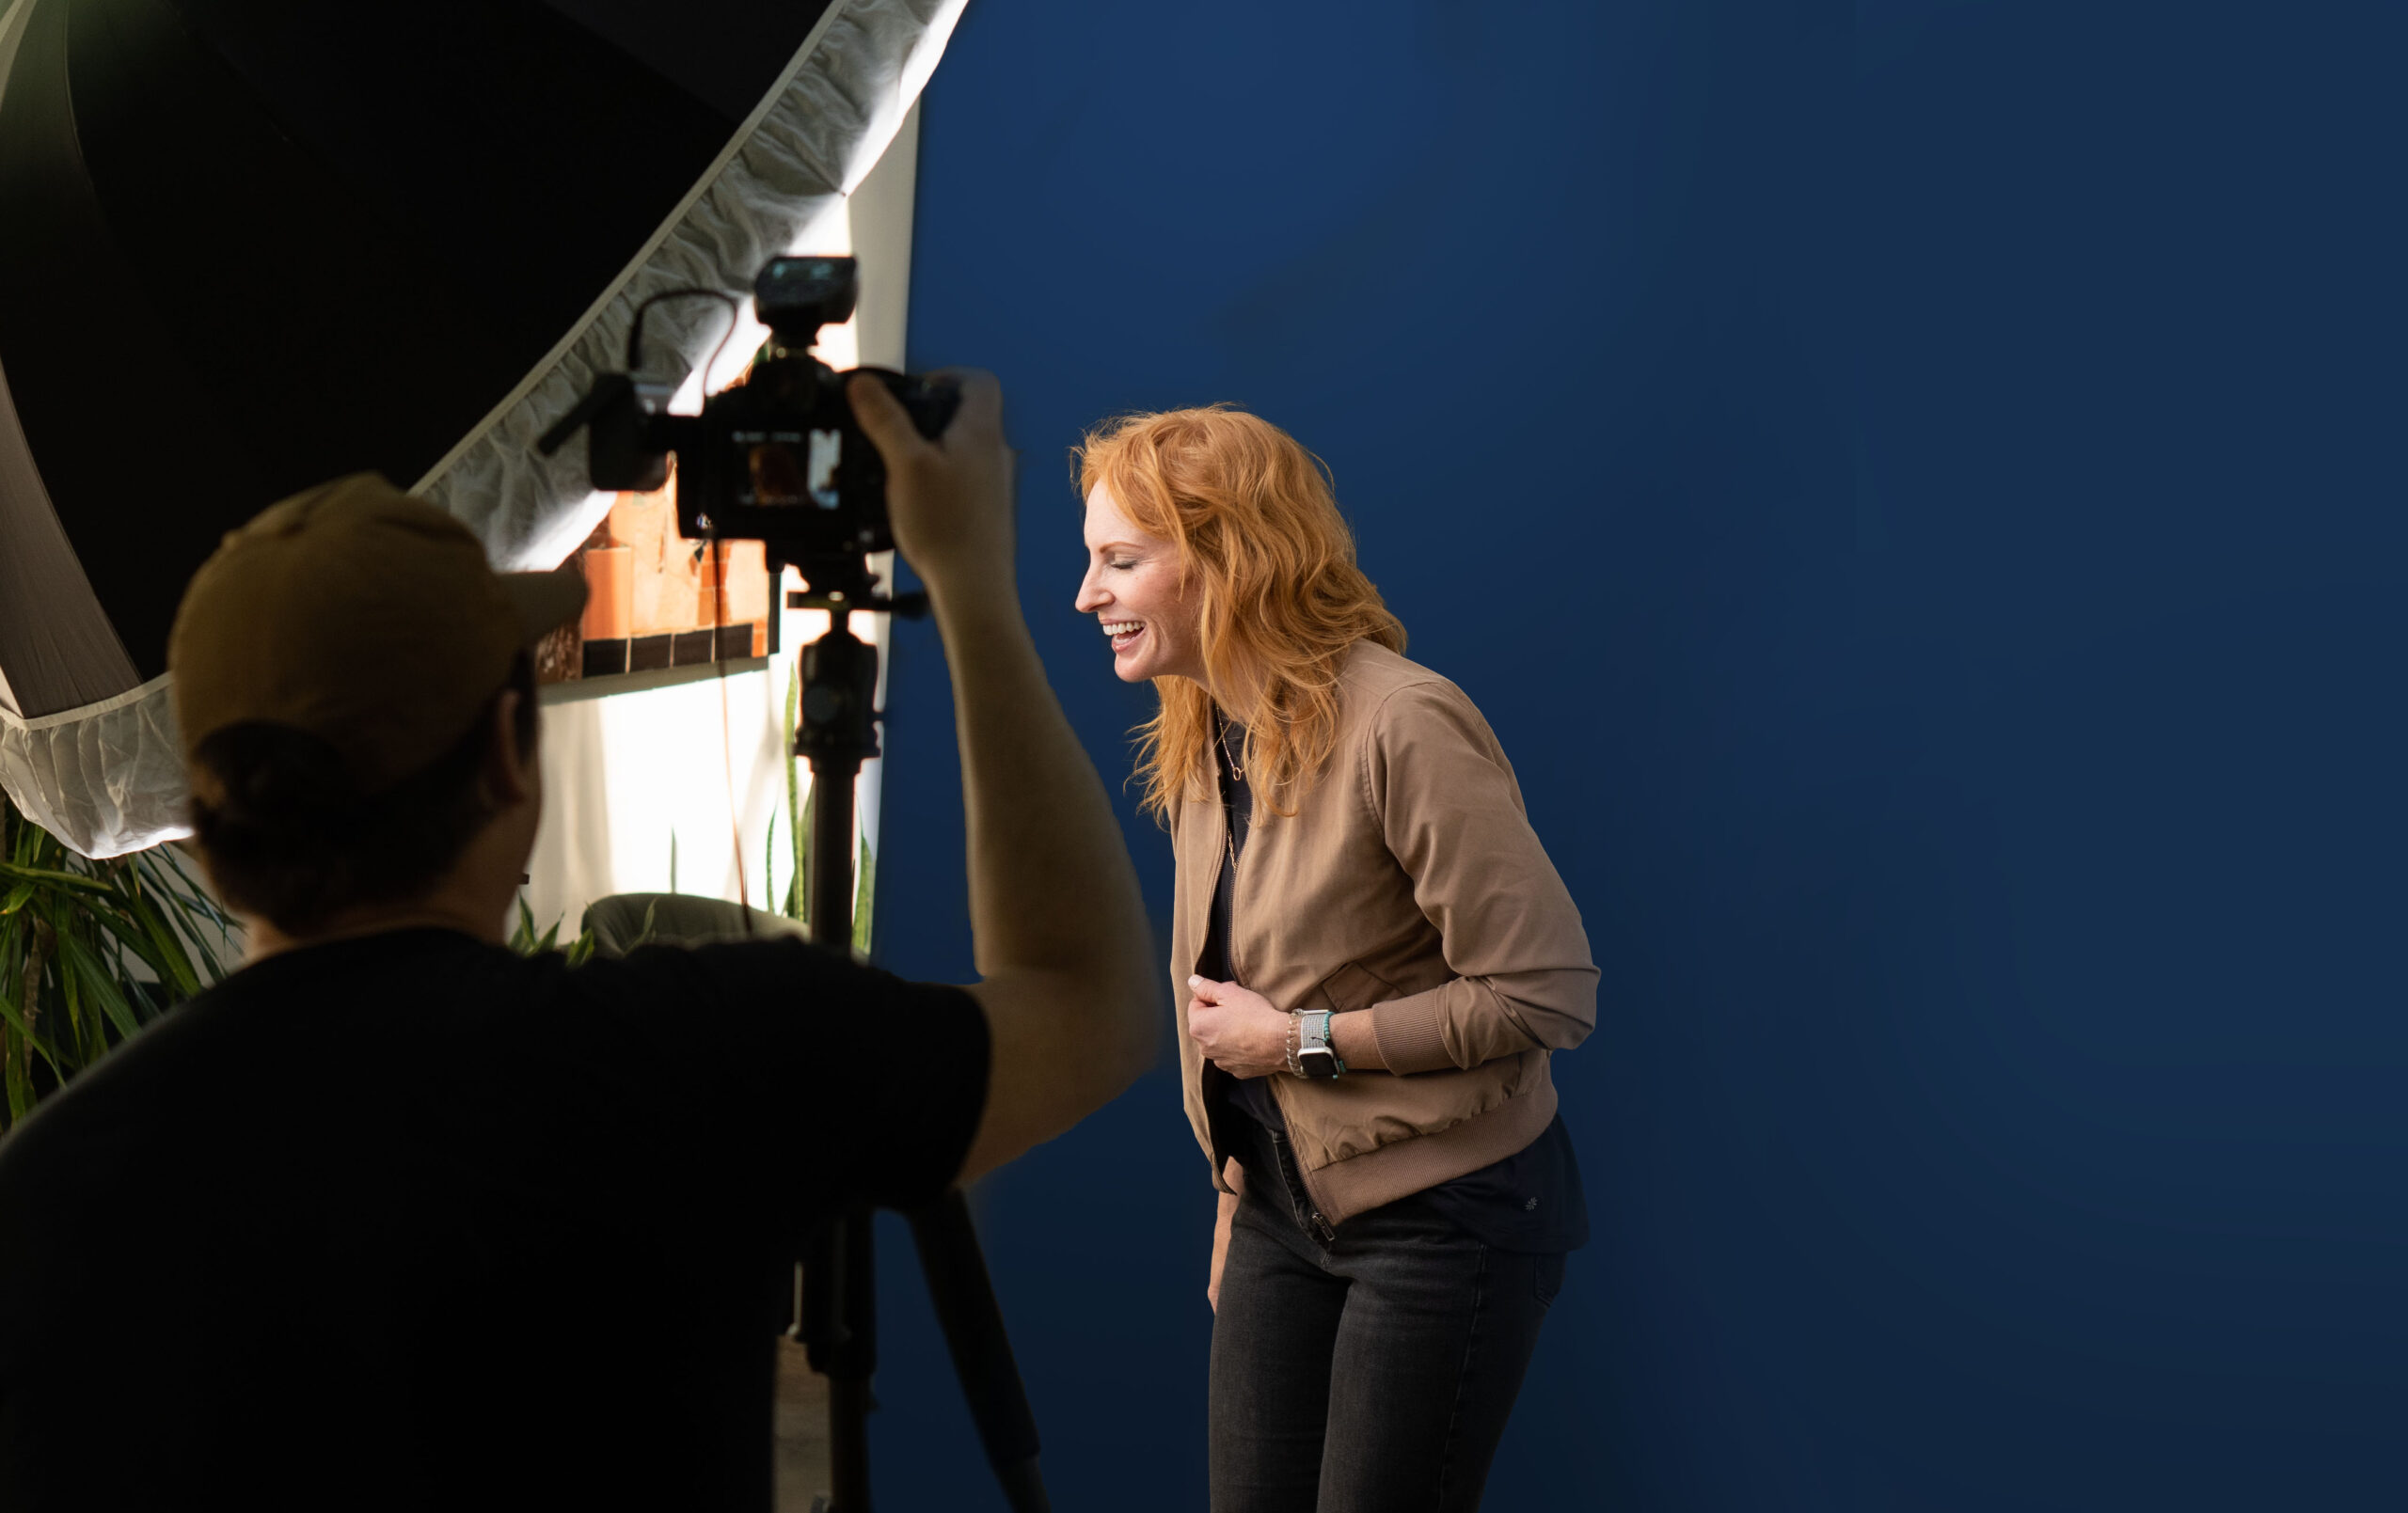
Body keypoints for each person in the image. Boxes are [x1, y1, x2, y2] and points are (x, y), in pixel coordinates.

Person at [0, 372, 1158, 1510]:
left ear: (205, 819)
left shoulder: (47, 1189)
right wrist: (971, 583)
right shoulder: (702, 1058)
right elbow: (1085, 1000)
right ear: (508, 757)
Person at [1072, 405, 1598, 1512]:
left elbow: (1544, 992)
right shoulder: (1206, 725)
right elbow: (1223, 992)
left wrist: (1299, 1043)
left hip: (1445, 1218)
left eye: (1120, 562)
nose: (1088, 597)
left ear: (1226, 560)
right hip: (1280, 1203)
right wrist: (1235, 1190)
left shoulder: (1402, 722)